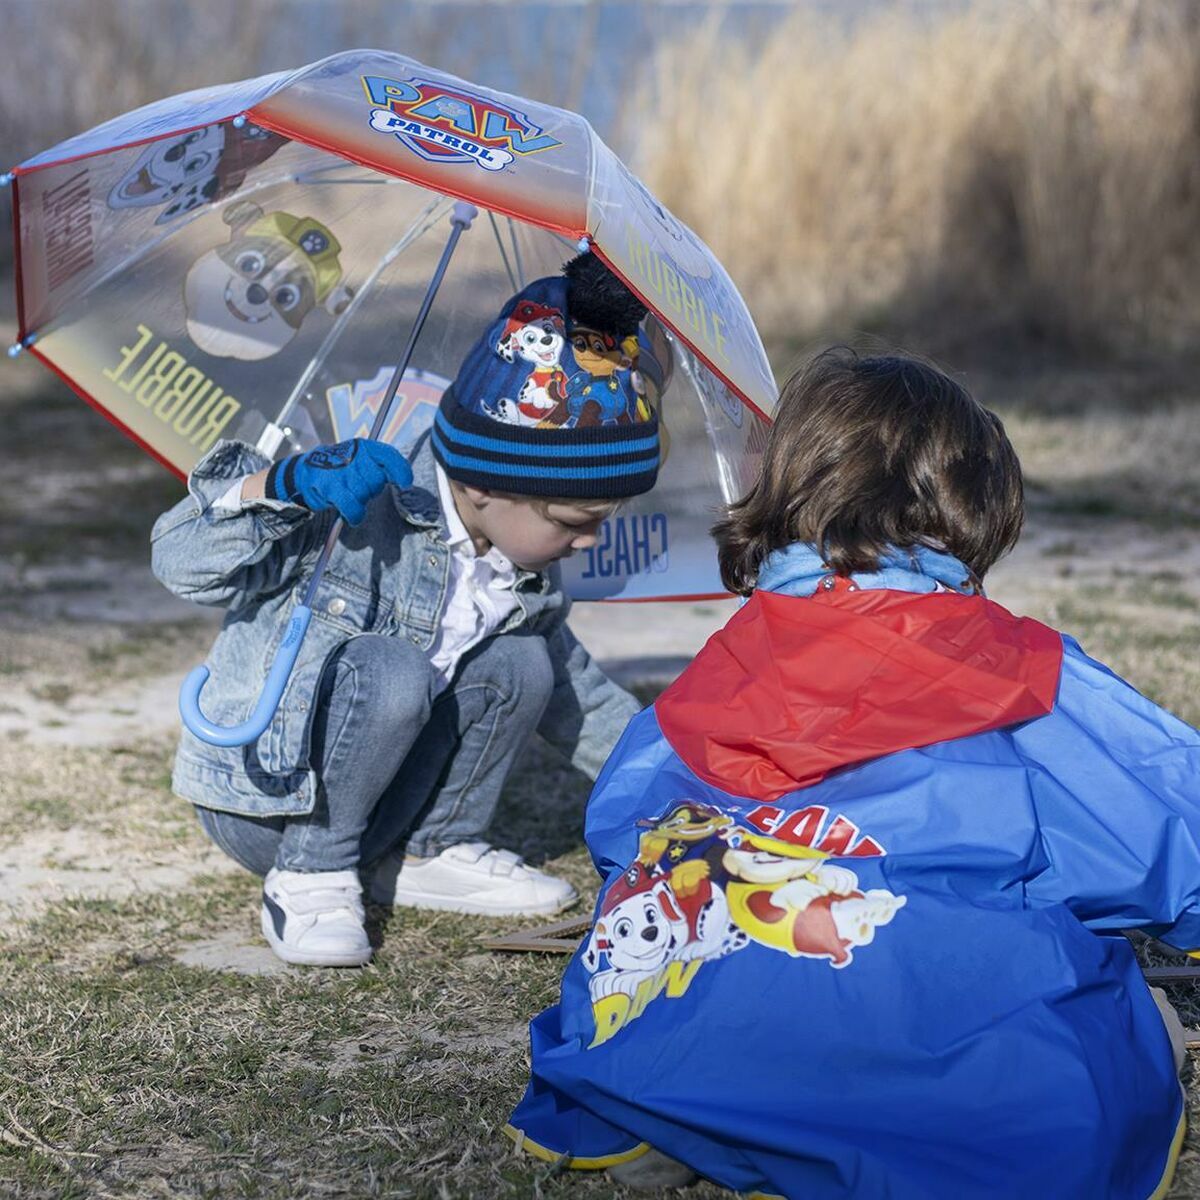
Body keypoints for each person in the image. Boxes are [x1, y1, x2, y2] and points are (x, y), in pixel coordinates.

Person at [507, 348, 1198, 1199]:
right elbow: (1173, 823)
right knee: (1129, 1022)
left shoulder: (720, 664)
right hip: (957, 1075)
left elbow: (623, 823)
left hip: (651, 1052)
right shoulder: (1023, 670)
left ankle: (696, 1118)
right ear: (972, 507)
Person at [151, 253, 661, 968]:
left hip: (385, 805)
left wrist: (682, 784)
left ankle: (433, 850)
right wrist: (279, 485)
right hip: (267, 806)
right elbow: (180, 563)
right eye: (574, 518)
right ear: (486, 487)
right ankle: (309, 876)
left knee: (524, 661)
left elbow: (584, 701)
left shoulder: (519, 573)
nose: (589, 539)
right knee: (391, 669)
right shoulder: (356, 505)